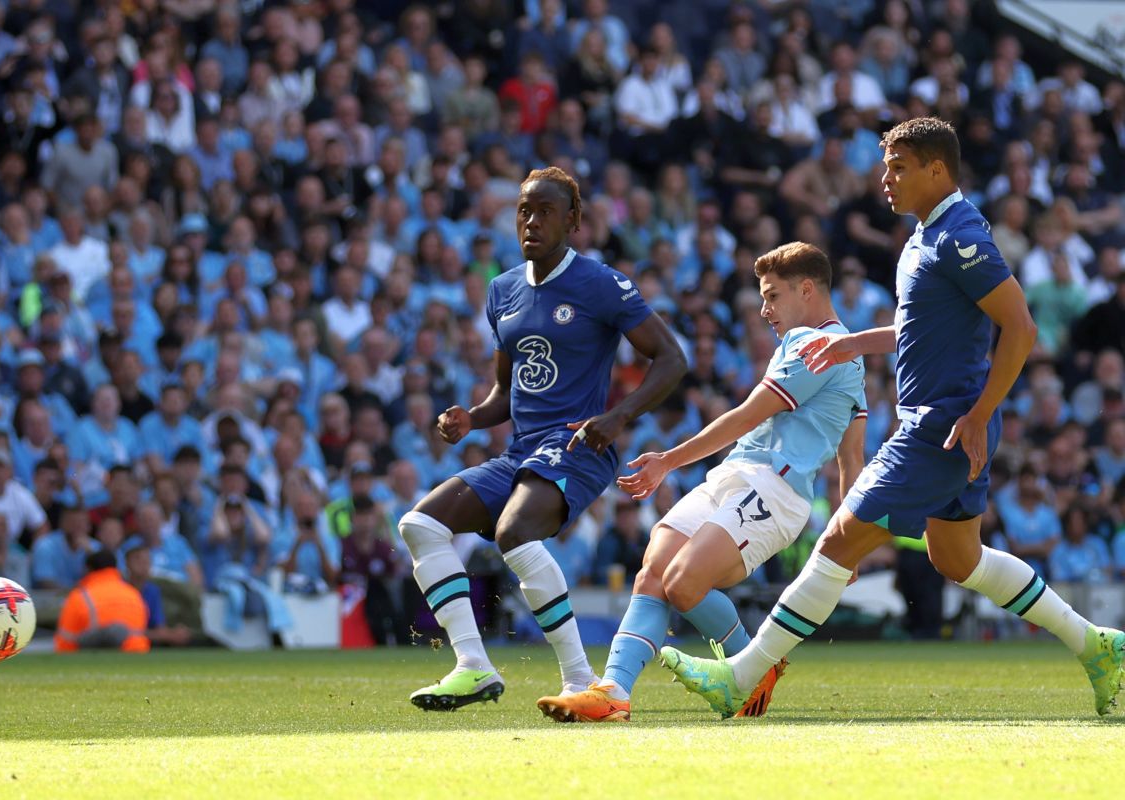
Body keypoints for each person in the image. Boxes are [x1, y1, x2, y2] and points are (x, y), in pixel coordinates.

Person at [662, 117, 1125, 718]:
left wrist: (982, 413)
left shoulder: (959, 236)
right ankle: (1099, 645)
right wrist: (855, 343)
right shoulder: (922, 239)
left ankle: (741, 676)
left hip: (942, 425)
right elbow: (920, 326)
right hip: (947, 422)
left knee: (838, 540)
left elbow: (1022, 326)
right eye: (886, 167)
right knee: (957, 559)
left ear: (938, 169)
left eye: (899, 167)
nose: (886, 179)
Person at [538, 242, 866, 723]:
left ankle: (753, 670)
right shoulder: (836, 353)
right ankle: (613, 692)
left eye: (773, 296)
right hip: (738, 473)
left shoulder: (819, 348)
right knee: (654, 569)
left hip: (775, 490)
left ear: (808, 290)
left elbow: (748, 417)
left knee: (683, 584)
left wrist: (668, 460)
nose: (764, 308)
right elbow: (851, 460)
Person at [399, 166, 686, 710]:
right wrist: (470, 419)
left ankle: (582, 682)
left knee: (515, 532)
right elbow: (505, 393)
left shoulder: (601, 284)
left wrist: (619, 415)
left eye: (546, 211)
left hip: (579, 445)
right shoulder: (502, 290)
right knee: (420, 526)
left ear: (573, 221)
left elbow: (672, 359)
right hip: (523, 451)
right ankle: (473, 666)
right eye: (524, 211)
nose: (532, 221)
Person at [54, 548, 150, 653]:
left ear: (88, 569)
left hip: (97, 659)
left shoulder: (80, 596)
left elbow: (65, 642)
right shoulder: (133, 593)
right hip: (138, 655)